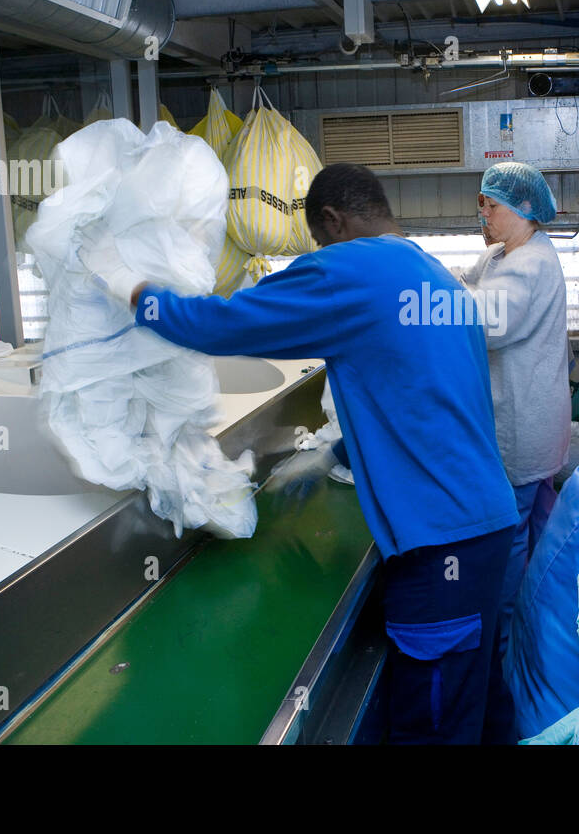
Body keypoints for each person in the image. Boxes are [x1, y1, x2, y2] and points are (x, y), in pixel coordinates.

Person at [99, 163, 519, 744]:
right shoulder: (428, 270)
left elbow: (219, 325)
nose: (317, 254)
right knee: (475, 701)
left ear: (331, 220)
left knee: (434, 723)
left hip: (440, 543)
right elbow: (431, 391)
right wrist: (347, 449)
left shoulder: (345, 269)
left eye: (318, 241)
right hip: (484, 525)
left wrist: (137, 293)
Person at [452, 162, 571, 710]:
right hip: (513, 416)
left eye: (490, 206)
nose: (483, 214)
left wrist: (424, 293)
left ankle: (503, 650)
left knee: (511, 535)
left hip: (523, 423)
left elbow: (488, 322)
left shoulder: (533, 265)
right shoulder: (502, 256)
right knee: (520, 521)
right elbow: (473, 289)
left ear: (523, 210)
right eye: (480, 204)